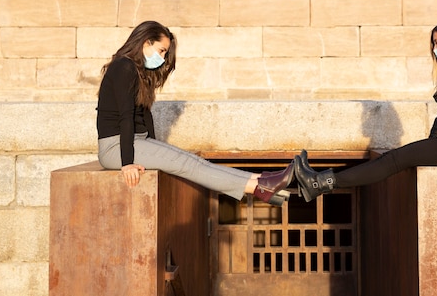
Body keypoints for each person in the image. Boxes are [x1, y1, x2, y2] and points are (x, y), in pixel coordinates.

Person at [294, 19, 437, 202]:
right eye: (434, 44)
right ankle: (318, 181)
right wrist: (428, 146)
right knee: (393, 157)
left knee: (395, 160)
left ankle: (317, 183)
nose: (435, 49)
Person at [96, 21, 293, 206]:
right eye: (161, 51)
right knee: (188, 166)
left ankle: (264, 180)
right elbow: (125, 116)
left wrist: (155, 148)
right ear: (146, 42)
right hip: (115, 147)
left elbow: (145, 116)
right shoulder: (124, 66)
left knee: (194, 160)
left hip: (138, 141)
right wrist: (127, 163)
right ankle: (259, 188)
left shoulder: (138, 71)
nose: (163, 58)